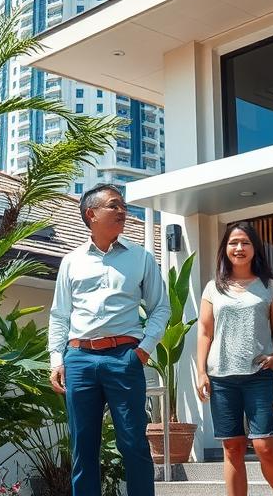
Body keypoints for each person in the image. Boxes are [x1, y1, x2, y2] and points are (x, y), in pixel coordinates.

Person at [48, 184, 171, 496]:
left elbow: (161, 307)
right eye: (114, 206)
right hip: (79, 360)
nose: (122, 211)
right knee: (82, 448)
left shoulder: (141, 257)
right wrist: (57, 361)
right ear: (92, 214)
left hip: (124, 358)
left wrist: (142, 351)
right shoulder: (71, 261)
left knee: (134, 443)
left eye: (123, 206)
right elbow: (60, 315)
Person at [194, 222, 273, 496]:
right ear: (225, 248)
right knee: (232, 447)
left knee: (264, 446)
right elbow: (204, 331)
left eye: (245, 242)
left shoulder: (270, 286)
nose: (239, 248)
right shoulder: (213, 288)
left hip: (259, 376)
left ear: (254, 248)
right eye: (233, 242)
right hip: (222, 378)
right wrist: (201, 372)